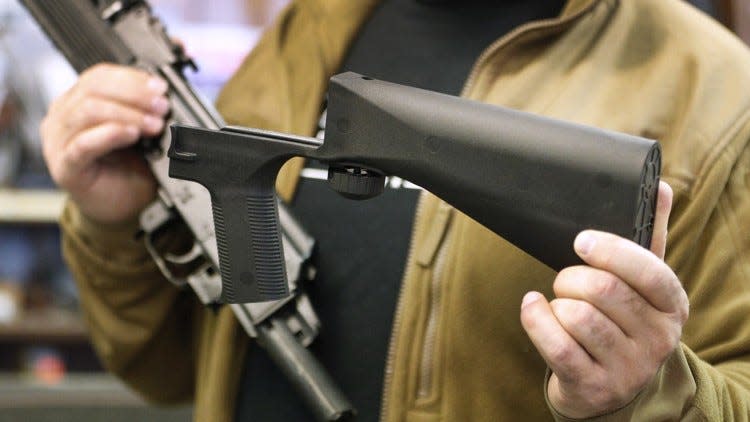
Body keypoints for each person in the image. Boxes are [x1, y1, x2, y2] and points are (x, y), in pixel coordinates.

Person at [39, 0, 750, 420]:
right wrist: (116, 223)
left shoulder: (711, 94)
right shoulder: (315, 26)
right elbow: (173, 369)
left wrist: (649, 396)